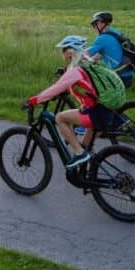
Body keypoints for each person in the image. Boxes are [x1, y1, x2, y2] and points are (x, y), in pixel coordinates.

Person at [25, 35, 114, 169]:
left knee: (60, 118)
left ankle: (79, 152)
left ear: (70, 52)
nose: (63, 53)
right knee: (86, 147)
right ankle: (89, 173)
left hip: (95, 113)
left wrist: (34, 100)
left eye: (64, 50)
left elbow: (57, 88)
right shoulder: (88, 62)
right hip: (106, 110)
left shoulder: (77, 70)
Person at [87, 11, 135, 87]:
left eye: (96, 24)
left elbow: (85, 55)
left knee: (92, 88)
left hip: (117, 77)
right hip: (127, 75)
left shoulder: (102, 38)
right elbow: (99, 55)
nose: (94, 27)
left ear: (102, 24)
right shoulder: (116, 33)